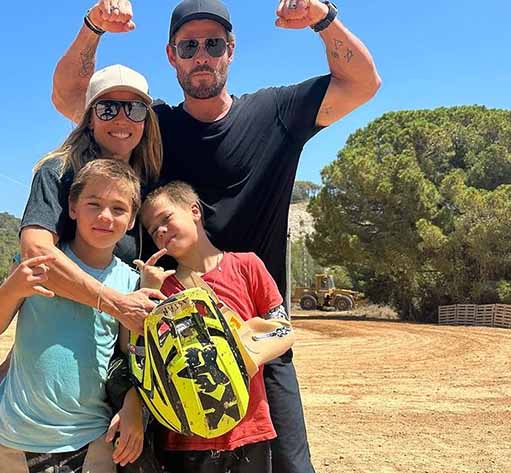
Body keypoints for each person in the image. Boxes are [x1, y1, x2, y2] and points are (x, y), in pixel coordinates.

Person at [50, 1, 381, 472]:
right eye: (189, 46)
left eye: (213, 44)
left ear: (231, 51)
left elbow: (363, 85)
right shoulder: (152, 127)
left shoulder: (276, 112)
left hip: (259, 344)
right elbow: (70, 99)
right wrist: (92, 28)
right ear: (172, 55)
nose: (201, 55)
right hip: (171, 349)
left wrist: (322, 19)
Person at [0, 64, 166, 473]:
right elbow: (36, 254)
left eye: (134, 109)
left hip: (95, 405)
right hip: (36, 374)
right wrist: (112, 302)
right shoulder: (58, 171)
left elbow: (129, 347)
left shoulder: (145, 183)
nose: (121, 118)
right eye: (108, 108)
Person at [0, 159, 145, 473]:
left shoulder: (130, 283)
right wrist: (13, 289)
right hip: (15, 442)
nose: (105, 216)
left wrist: (134, 404)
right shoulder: (37, 265)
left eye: (119, 209)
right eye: (93, 204)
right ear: (72, 207)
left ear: (133, 220)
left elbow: (126, 358)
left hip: (92, 442)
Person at [136, 181, 291, 473]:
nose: (161, 232)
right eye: (153, 230)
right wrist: (148, 296)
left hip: (250, 429)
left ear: (194, 211)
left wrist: (247, 356)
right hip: (186, 438)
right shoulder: (161, 288)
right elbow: (139, 356)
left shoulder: (246, 265)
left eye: (166, 219)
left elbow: (284, 328)